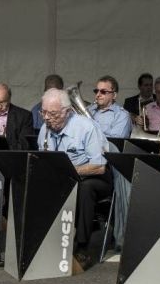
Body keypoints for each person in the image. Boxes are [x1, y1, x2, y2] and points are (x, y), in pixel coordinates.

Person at [38, 88, 111, 269]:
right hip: (65, 177)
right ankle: (45, 241)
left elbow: (99, 166)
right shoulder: (45, 129)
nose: (46, 118)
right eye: (43, 112)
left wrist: (69, 171)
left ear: (67, 112)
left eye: (52, 114)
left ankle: (82, 246)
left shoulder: (86, 127)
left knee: (85, 189)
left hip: (94, 176)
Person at [0, 82, 34, 150]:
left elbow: (24, 145)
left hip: (9, 155)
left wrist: (3, 148)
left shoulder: (24, 116)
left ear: (9, 99)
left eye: (3, 102)